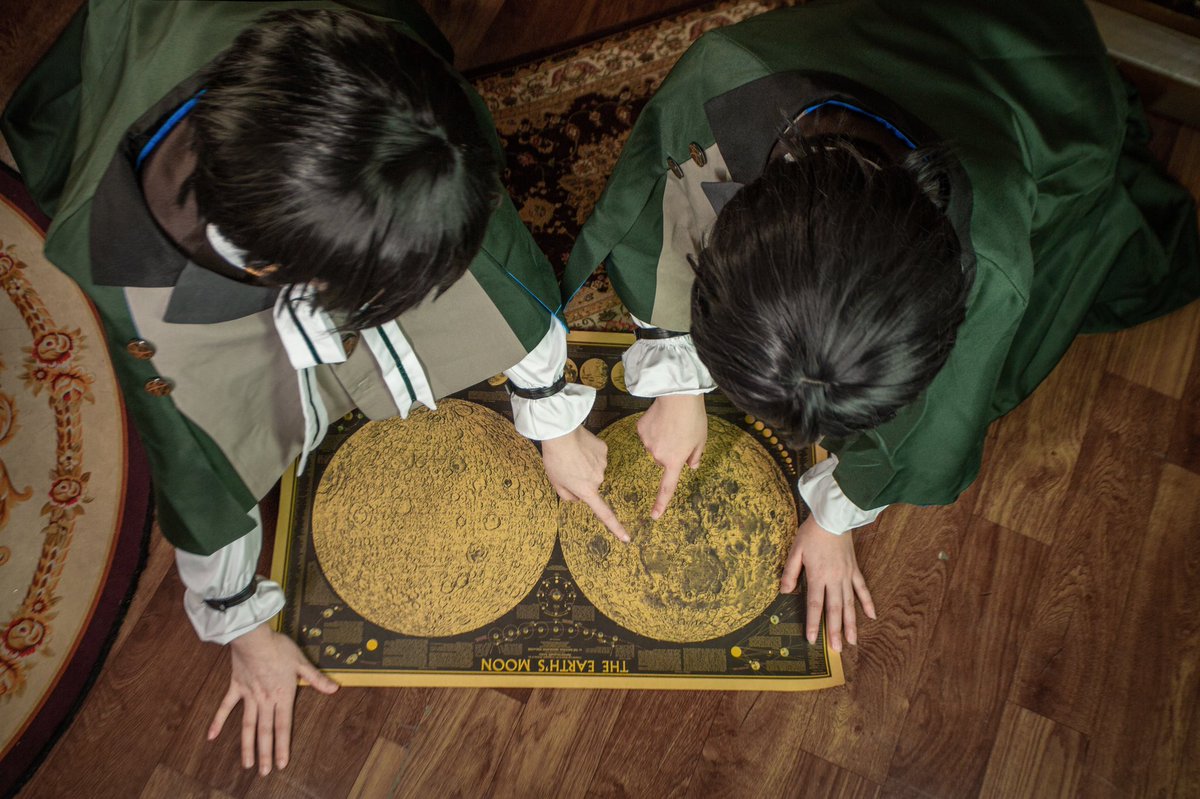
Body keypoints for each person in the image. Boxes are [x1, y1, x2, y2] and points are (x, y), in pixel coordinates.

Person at [2, 0, 621, 776]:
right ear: (284, 277)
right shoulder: (140, 294)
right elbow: (200, 464)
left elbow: (497, 268)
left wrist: (554, 419)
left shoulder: (401, 107)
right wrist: (243, 628)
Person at [566, 0, 1200, 655]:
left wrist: (834, 517)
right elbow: (662, 207)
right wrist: (679, 389)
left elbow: (938, 420)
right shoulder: (726, 75)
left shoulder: (994, 265)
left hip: (1048, 94)